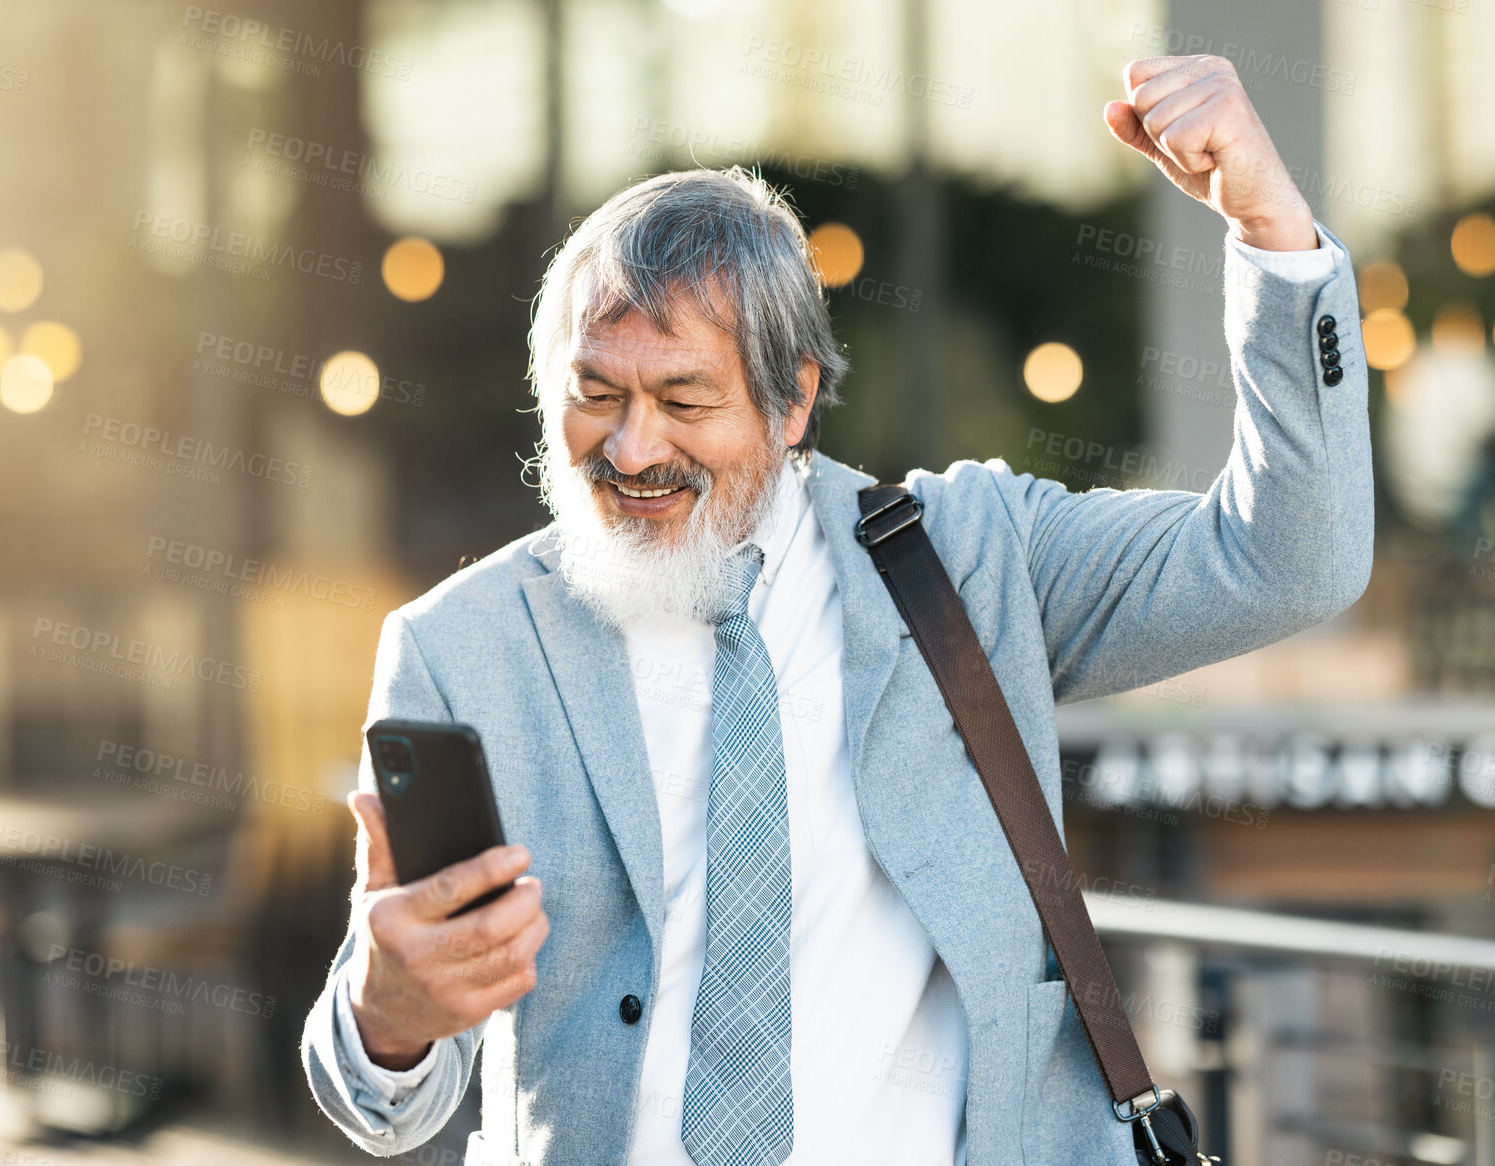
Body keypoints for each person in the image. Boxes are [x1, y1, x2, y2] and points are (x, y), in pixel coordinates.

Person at [302, 55, 1371, 1166]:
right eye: (595, 394)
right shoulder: (458, 647)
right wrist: (388, 1016)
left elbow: (1291, 558)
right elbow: (388, 1104)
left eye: (682, 400)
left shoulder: (973, 558)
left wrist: (1272, 230)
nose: (631, 448)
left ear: (794, 400)